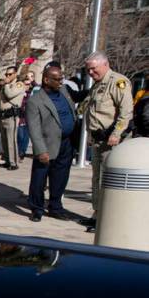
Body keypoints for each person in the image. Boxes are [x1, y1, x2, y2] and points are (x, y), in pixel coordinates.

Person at [80, 51, 134, 233]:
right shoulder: (97, 85)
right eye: (88, 70)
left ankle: (105, 217)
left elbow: (126, 112)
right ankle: (97, 213)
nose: (90, 73)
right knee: (96, 178)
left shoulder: (118, 82)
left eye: (93, 69)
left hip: (111, 140)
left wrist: (117, 133)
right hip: (97, 140)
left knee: (106, 179)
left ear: (105, 64)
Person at [25, 64, 76, 223]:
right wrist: (40, 150)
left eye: (62, 78)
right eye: (57, 79)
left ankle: (55, 207)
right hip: (47, 145)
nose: (61, 81)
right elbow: (34, 128)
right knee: (39, 179)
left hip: (66, 143)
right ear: (46, 80)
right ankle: (36, 208)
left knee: (60, 177)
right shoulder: (35, 101)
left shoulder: (64, 92)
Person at [0, 65, 26, 169]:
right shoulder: (6, 86)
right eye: (6, 74)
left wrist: (6, 84)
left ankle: (14, 163)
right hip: (3, 115)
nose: (7, 76)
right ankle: (7, 160)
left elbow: (9, 94)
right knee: (4, 140)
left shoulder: (18, 84)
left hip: (11, 115)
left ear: (15, 74)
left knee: (11, 140)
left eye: (10, 74)